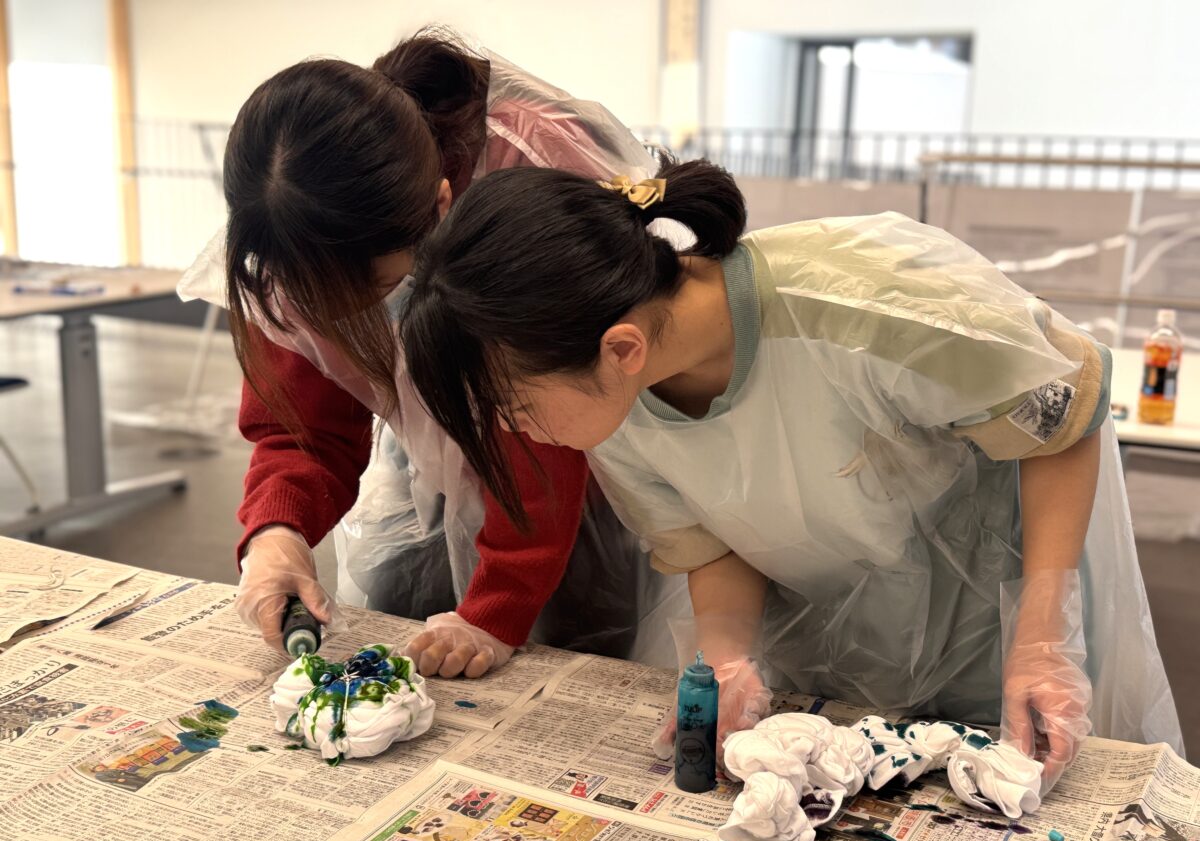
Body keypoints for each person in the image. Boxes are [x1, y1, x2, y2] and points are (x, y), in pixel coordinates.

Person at [398, 159, 1184, 789]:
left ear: (621, 349)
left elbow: (1058, 426)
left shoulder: (874, 301)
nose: (510, 431)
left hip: (991, 631)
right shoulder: (619, 397)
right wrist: (727, 656)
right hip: (835, 656)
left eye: (512, 406)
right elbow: (711, 541)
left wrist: (1040, 639)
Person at [177, 29, 682, 676]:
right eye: (311, 300)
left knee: (581, 651)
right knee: (406, 628)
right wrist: (278, 533)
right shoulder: (286, 235)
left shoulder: (534, 170)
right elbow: (302, 430)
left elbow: (545, 423)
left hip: (580, 460)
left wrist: (498, 607)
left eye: (372, 293)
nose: (336, 319)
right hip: (437, 466)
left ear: (441, 208)